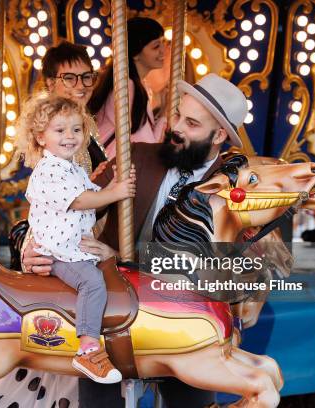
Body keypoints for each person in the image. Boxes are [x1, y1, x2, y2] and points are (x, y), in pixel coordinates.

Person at [22, 73, 247, 407]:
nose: (177, 128)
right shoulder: (137, 157)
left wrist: (124, 257)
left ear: (219, 136)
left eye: (192, 123)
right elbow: (66, 204)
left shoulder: (238, 188)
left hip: (183, 318)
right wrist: (34, 248)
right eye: (178, 115)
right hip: (115, 313)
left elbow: (236, 266)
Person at [16, 93, 136, 384]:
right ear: (41, 138)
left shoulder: (69, 167)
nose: (70, 137)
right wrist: (117, 192)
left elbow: (93, 190)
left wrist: (116, 181)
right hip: (57, 252)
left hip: (72, 246)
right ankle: (88, 348)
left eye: (76, 129)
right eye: (60, 130)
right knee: (92, 282)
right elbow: (82, 200)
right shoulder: (49, 170)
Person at [88, 17, 167, 160]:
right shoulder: (127, 87)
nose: (163, 50)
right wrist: (165, 115)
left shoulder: (135, 85)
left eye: (163, 43)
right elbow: (145, 144)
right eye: (156, 46)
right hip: (115, 167)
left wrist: (163, 112)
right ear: (136, 53)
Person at [42, 41, 106, 173]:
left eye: (86, 77)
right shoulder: (50, 125)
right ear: (51, 83)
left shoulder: (84, 121)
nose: (81, 85)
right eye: (69, 78)